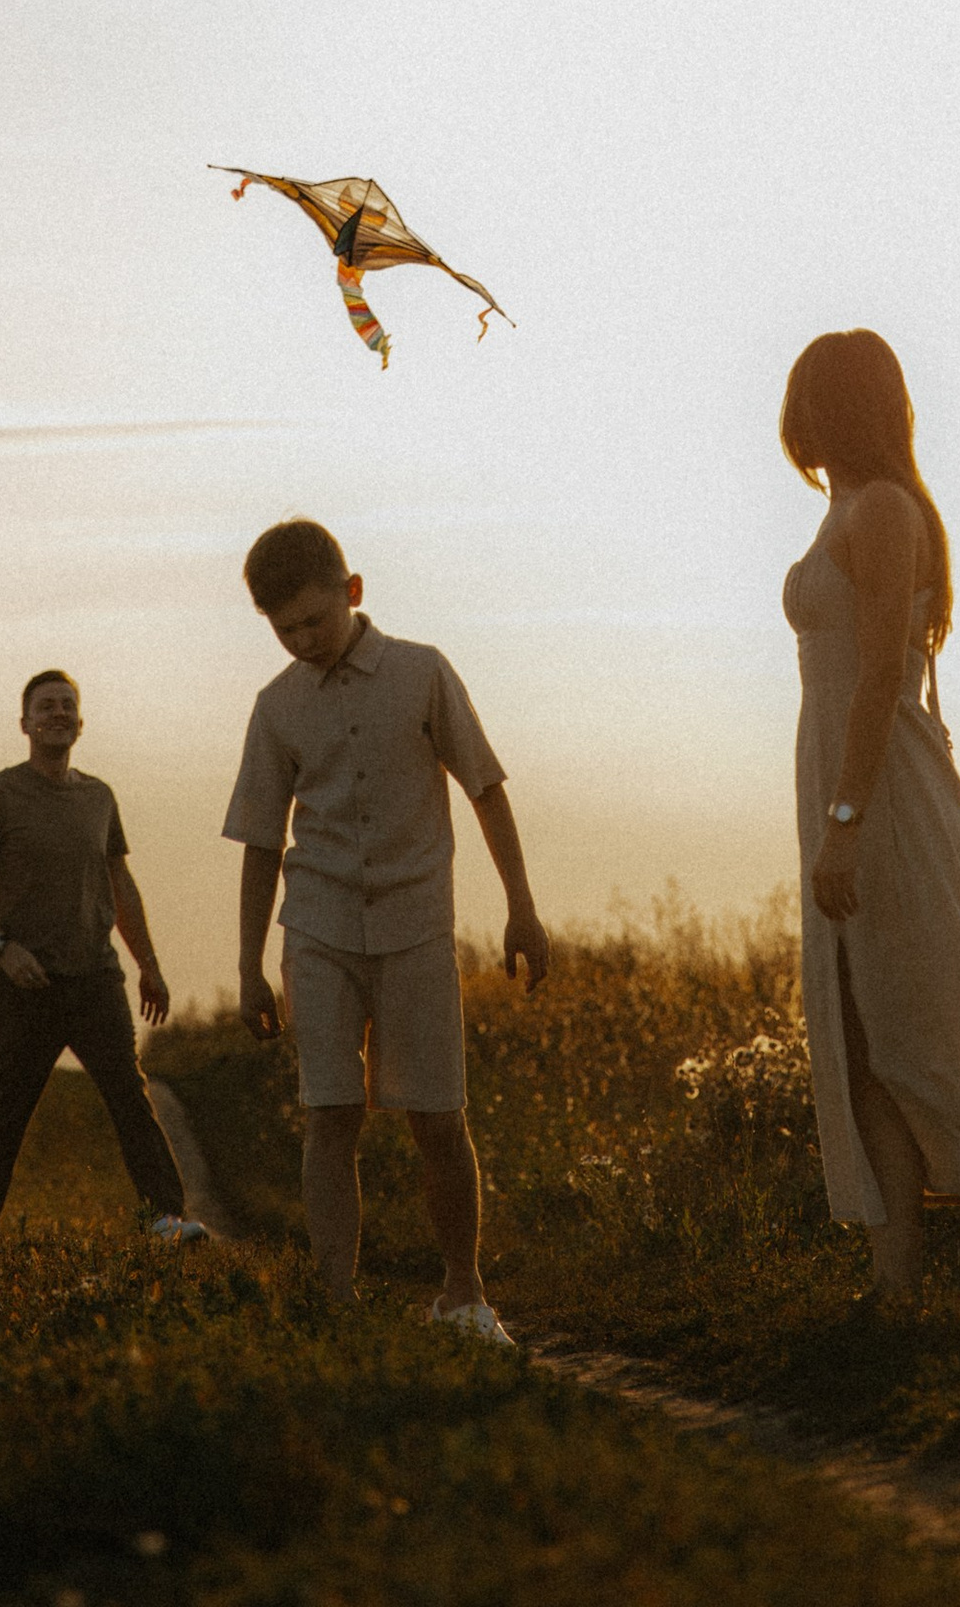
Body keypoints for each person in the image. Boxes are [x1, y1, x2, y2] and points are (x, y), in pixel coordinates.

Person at [782, 328, 960, 1298]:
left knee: (939, 1026)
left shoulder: (881, 510)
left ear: (840, 409)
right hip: (847, 787)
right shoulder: (849, 510)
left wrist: (845, 820)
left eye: (812, 399)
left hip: (886, 797)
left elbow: (878, 678)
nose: (797, 419)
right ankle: (895, 1282)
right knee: (864, 1037)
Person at [225, 516, 548, 1340]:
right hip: (318, 928)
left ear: (353, 592)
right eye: (285, 630)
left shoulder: (422, 672)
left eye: (315, 620)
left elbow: (485, 788)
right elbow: (261, 842)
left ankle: (464, 1296)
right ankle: (335, 1307)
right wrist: (249, 965)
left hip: (416, 925)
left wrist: (521, 906)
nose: (304, 640)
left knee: (437, 1117)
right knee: (331, 1113)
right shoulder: (275, 707)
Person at [0, 667, 205, 1251]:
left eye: (67, 705)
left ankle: (166, 1219)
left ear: (80, 723)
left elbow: (121, 884)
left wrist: (150, 964)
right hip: (24, 983)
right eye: (46, 706)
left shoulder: (98, 797)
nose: (58, 713)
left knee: (129, 1096)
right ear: (24, 723)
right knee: (2, 1110)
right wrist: (2, 950)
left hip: (95, 977)